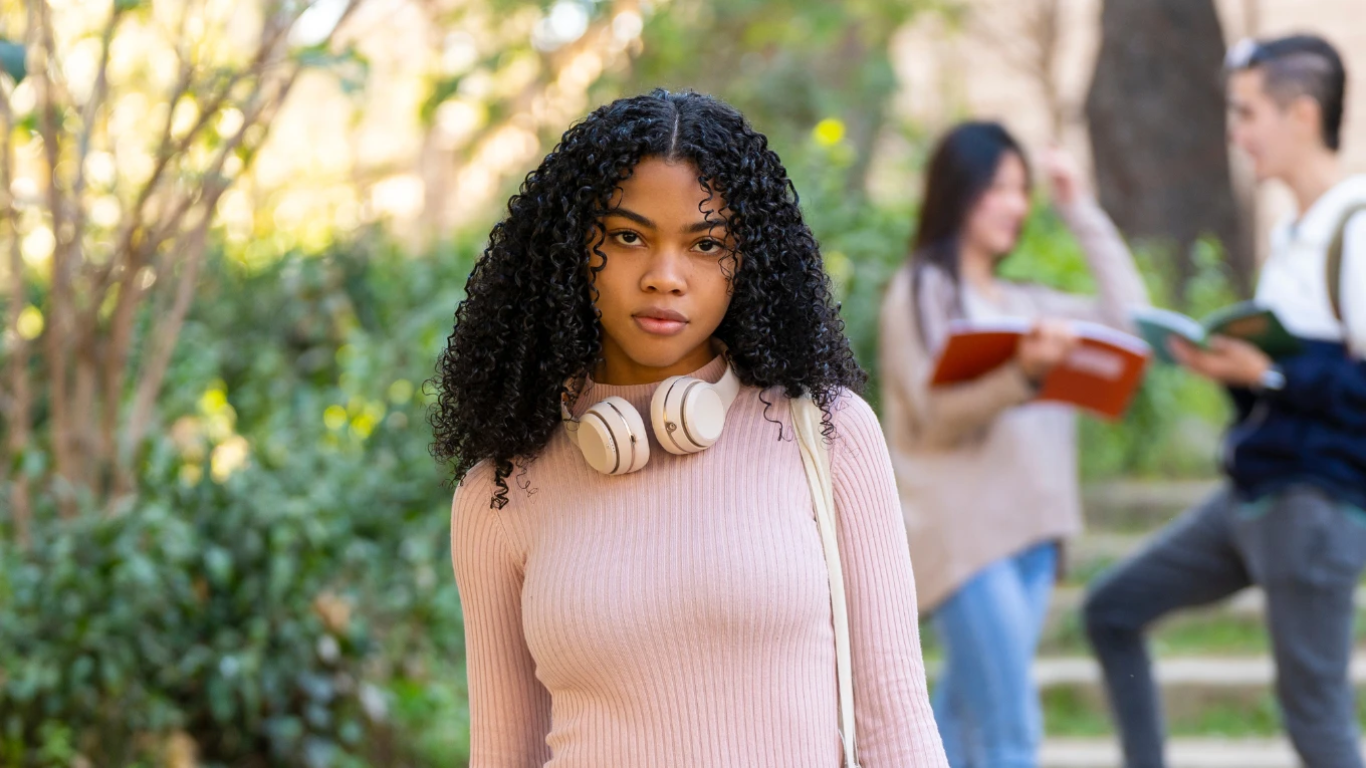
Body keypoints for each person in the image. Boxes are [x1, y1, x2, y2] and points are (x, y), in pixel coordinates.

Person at [432, 89, 949, 767]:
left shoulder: (827, 434)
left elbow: (898, 727)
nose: (665, 277)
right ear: (569, 251)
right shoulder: (500, 492)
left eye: (706, 244)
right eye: (627, 236)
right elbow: (503, 755)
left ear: (747, 262)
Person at [1083, 34, 1366, 768]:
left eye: (1246, 113)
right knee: (1111, 610)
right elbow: (1279, 389)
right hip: (1251, 494)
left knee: (1318, 726)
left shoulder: (1357, 231)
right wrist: (1233, 370)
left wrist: (1272, 372)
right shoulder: (1291, 239)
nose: (1235, 134)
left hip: (1314, 508)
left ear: (1302, 114)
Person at [879, 121, 1149, 768]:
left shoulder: (1025, 302)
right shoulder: (923, 290)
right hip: (968, 544)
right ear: (959, 189)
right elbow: (936, 416)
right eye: (999, 187)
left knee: (961, 721)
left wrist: (1077, 205)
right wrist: (1022, 373)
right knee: (1011, 733)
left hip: (1033, 539)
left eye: (1023, 190)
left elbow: (1132, 325)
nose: (1016, 205)